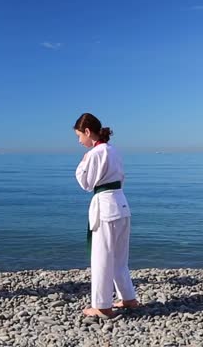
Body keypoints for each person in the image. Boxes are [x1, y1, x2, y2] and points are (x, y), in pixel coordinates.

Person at [73, 112, 139, 317]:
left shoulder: (95, 153)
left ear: (87, 131)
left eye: (79, 136)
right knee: (119, 257)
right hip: (121, 204)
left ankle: (102, 306)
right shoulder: (113, 150)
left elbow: (86, 183)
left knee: (101, 257)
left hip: (105, 207)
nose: (79, 141)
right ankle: (128, 298)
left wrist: (83, 162)